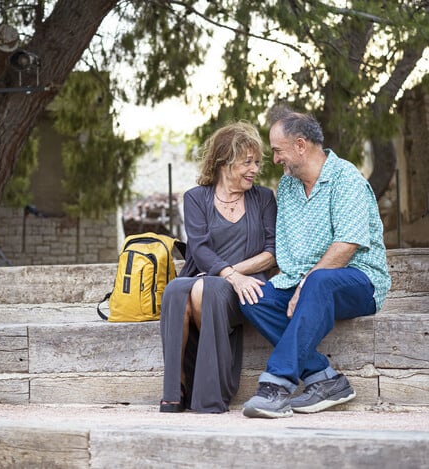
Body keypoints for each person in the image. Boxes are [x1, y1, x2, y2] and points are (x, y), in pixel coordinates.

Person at [240, 107, 392, 419]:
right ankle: (326, 379)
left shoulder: (346, 179)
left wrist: (307, 281)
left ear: (300, 145)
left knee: (320, 281)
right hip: (309, 281)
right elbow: (288, 252)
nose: (275, 158)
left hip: (360, 280)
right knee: (254, 297)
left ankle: (277, 386)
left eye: (278, 150)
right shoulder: (289, 187)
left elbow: (347, 245)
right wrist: (295, 283)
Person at [159, 121, 277, 414]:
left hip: (246, 286)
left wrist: (233, 275)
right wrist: (228, 274)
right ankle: (176, 387)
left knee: (207, 288)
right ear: (224, 162)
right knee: (175, 290)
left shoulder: (263, 198)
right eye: (247, 162)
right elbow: (198, 248)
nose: (255, 169)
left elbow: (272, 253)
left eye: (257, 162)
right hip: (206, 275)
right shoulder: (196, 198)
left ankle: (210, 394)